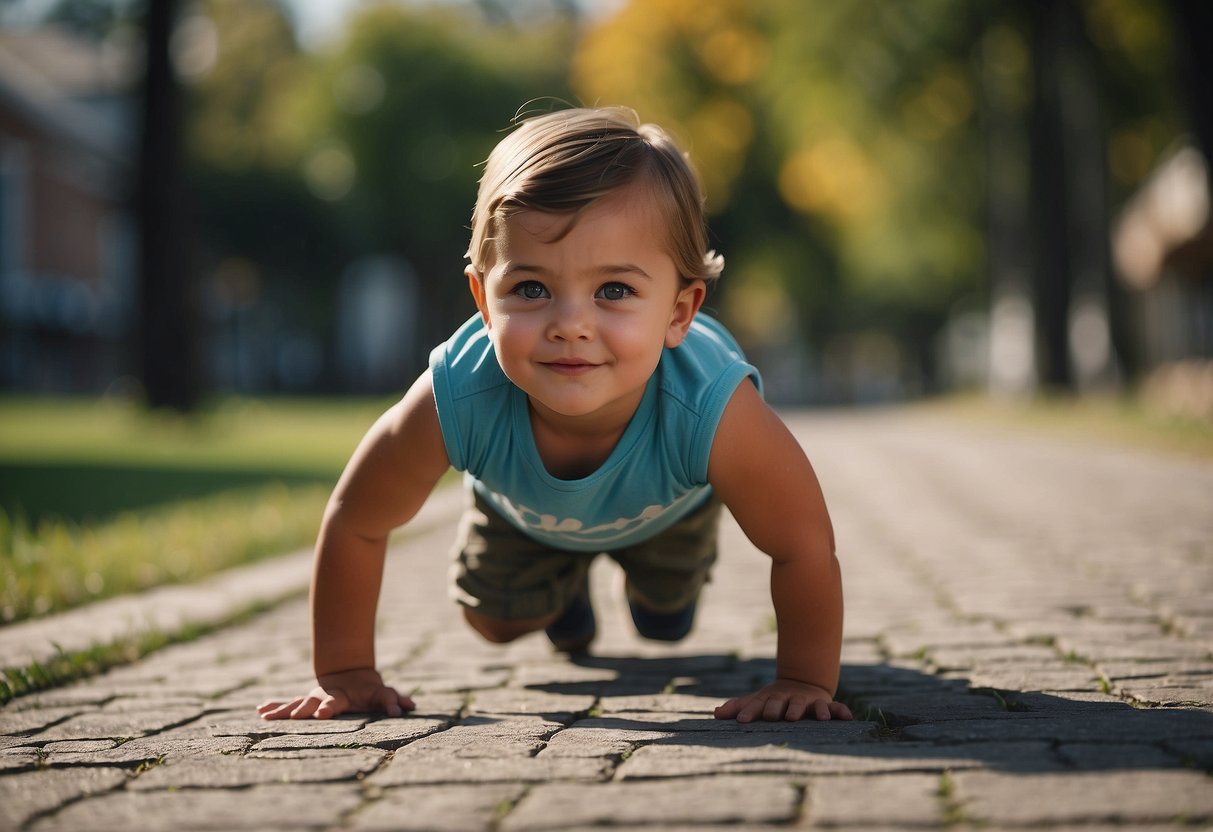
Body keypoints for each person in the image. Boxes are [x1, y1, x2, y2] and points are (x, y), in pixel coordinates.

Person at [258, 107, 851, 724]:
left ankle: (651, 588)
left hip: (666, 510)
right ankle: (563, 594)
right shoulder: (458, 393)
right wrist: (347, 672)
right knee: (495, 622)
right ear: (484, 302)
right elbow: (357, 518)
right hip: (525, 514)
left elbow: (802, 542)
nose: (570, 324)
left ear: (680, 312)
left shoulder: (710, 404)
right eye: (532, 289)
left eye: (614, 291)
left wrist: (805, 679)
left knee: (665, 623)